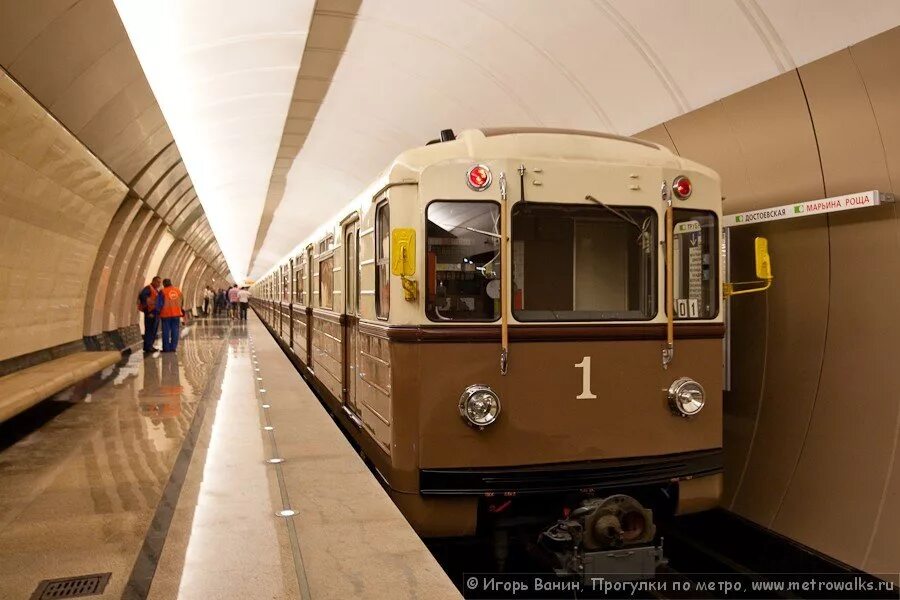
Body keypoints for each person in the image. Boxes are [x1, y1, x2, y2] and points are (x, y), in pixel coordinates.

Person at [159, 278, 187, 352]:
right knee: (175, 330)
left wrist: (157, 312)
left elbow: (159, 303)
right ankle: (173, 347)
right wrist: (180, 309)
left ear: (164, 284)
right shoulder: (178, 291)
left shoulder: (162, 291)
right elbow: (182, 301)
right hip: (176, 314)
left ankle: (166, 348)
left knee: (166, 331)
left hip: (166, 314)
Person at [137, 276, 162, 353]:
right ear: (153, 281)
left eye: (160, 282)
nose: (159, 284)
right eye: (158, 282)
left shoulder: (155, 290)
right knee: (149, 330)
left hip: (155, 313)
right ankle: (148, 346)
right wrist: (148, 311)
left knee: (153, 330)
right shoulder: (148, 288)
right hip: (150, 313)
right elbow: (143, 297)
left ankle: (150, 345)